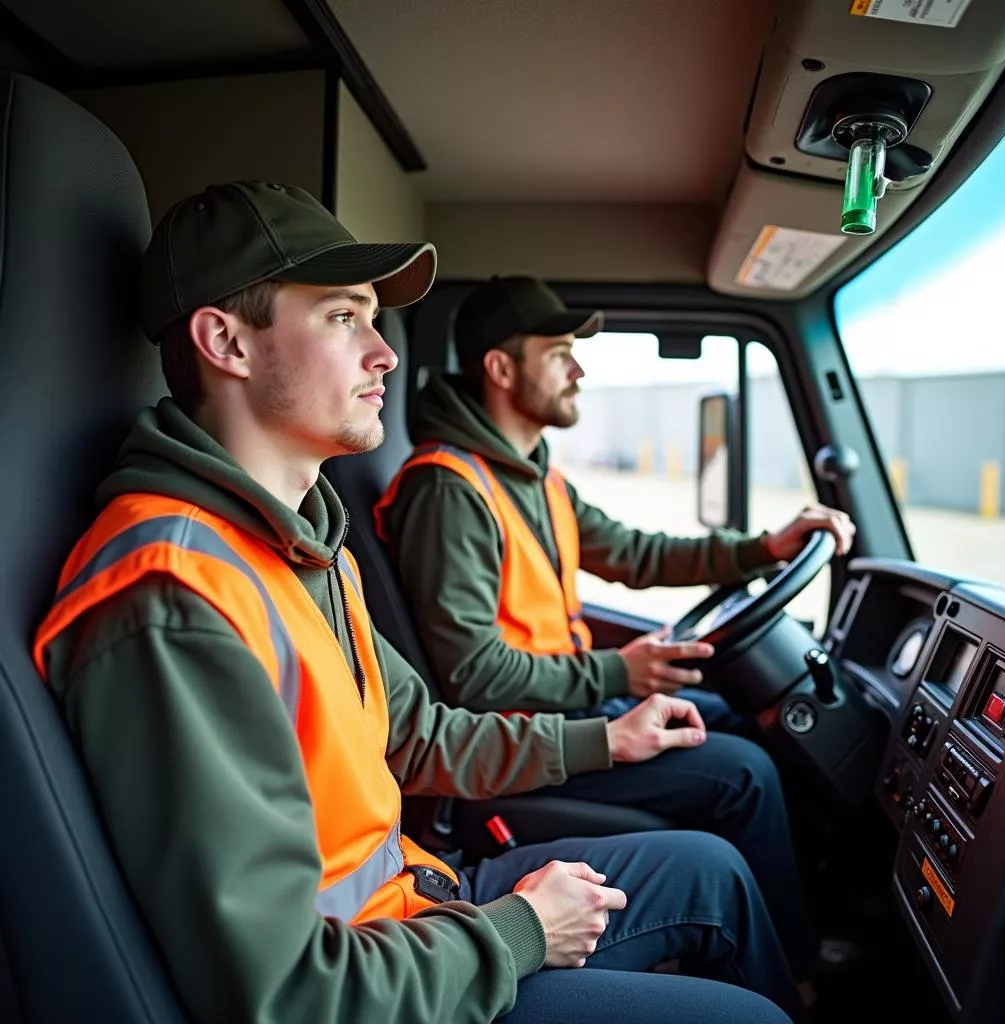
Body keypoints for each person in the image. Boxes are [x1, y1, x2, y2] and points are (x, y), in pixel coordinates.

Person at [33, 183, 800, 1024]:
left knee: (709, 872)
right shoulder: (175, 592)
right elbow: (288, 991)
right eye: (341, 317)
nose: (386, 354)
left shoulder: (303, 547)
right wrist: (519, 930)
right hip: (373, 975)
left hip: (414, 903)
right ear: (227, 342)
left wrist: (604, 734)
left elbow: (419, 732)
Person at [376, 274, 857, 986]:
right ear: (502, 369)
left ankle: (795, 934)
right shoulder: (449, 490)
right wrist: (618, 674)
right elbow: (472, 678)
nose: (580, 370)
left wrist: (766, 547)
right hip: (515, 749)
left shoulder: (533, 476)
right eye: (560, 352)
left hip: (569, 710)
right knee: (746, 773)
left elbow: (636, 553)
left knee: (749, 721)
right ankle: (795, 968)